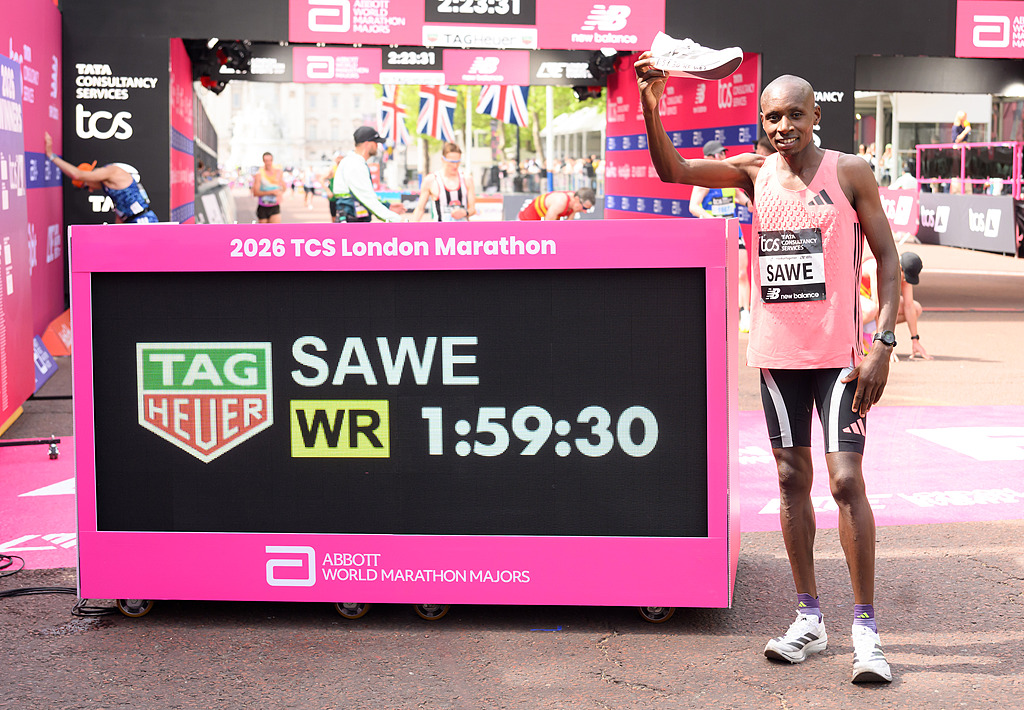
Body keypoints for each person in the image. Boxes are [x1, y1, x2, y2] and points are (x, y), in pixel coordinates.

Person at [636, 60, 901, 684]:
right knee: (789, 478)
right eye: (772, 117)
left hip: (841, 359)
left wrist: (883, 344)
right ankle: (809, 616)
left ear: (818, 116)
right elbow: (673, 172)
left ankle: (865, 627)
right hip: (778, 357)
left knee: (843, 482)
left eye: (795, 115)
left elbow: (888, 259)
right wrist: (653, 103)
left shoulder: (849, 171)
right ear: (763, 124)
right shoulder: (754, 173)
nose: (784, 126)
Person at [689, 139, 753, 332]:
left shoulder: (729, 179)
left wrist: (753, 201)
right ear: (708, 158)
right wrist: (711, 219)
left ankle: (745, 314)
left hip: (734, 231)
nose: (723, 157)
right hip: (713, 233)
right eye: (719, 154)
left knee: (742, 272)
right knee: (715, 273)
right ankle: (713, 313)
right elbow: (693, 206)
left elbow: (744, 201)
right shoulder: (704, 179)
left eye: (724, 153)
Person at [44, 131, 159, 224]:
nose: (90, 190)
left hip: (143, 222)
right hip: (132, 222)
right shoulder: (108, 185)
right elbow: (120, 216)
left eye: (85, 186)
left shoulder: (110, 172)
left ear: (89, 177)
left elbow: (76, 174)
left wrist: (51, 155)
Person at [332, 126, 405, 223]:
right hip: (352, 222)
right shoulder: (355, 164)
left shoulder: (352, 161)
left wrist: (387, 206)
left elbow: (364, 195)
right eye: (376, 142)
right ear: (367, 144)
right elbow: (367, 198)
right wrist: (398, 221)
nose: (377, 146)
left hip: (351, 219)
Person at [411, 142, 477, 222]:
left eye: (458, 162)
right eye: (451, 162)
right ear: (443, 159)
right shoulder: (431, 180)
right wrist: (410, 229)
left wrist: (464, 213)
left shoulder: (467, 179)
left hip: (462, 231)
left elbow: (472, 209)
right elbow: (420, 209)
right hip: (440, 231)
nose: (455, 166)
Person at [517, 187, 596, 221]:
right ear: (577, 199)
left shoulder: (575, 203)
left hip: (537, 222)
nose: (585, 211)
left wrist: (574, 212)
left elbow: (567, 226)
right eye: (585, 208)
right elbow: (548, 226)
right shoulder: (560, 202)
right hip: (525, 221)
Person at [252, 152, 284, 223]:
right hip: (263, 207)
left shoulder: (278, 173)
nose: (268, 163)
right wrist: (271, 192)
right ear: (263, 161)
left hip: (275, 206)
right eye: (266, 161)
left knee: (275, 232)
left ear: (272, 161)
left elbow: (283, 188)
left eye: (270, 160)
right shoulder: (259, 174)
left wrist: (280, 192)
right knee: (264, 233)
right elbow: (255, 193)